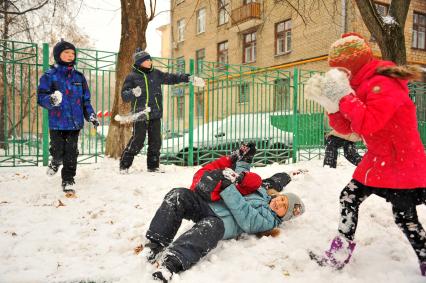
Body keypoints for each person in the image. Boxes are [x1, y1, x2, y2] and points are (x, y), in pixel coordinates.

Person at [305, 32, 426, 276]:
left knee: (405, 217)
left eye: (340, 67)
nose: (338, 73)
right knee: (349, 197)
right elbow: (348, 129)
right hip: (378, 160)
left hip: (401, 162)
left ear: (353, 65)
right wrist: (331, 106)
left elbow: (369, 123)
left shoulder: (384, 83)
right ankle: (339, 253)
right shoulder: (360, 86)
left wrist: (344, 97)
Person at [143, 156, 305, 282]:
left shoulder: (269, 220)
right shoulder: (263, 192)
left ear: (286, 216)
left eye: (284, 206)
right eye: (282, 199)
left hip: (220, 223)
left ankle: (171, 263)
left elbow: (246, 217)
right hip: (210, 205)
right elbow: (266, 180)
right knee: (178, 195)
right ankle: (155, 245)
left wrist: (228, 187)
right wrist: (245, 161)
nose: (279, 203)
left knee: (211, 226)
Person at [119, 49, 203, 173]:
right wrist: (132, 92)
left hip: (155, 112)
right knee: (138, 140)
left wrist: (188, 78)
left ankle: (153, 166)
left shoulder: (156, 74)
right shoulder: (132, 76)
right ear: (140, 62)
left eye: (150, 59)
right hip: (140, 114)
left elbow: (172, 78)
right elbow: (124, 96)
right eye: (147, 60)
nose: (150, 61)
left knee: (156, 141)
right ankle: (124, 165)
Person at [37, 39, 99, 194]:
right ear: (58, 55)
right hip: (57, 122)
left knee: (71, 152)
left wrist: (90, 115)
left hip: (75, 123)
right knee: (58, 151)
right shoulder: (49, 76)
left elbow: (86, 100)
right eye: (66, 52)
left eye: (73, 53)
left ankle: (68, 179)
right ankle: (56, 161)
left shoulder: (79, 77)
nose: (71, 55)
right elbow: (41, 97)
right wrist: (50, 100)